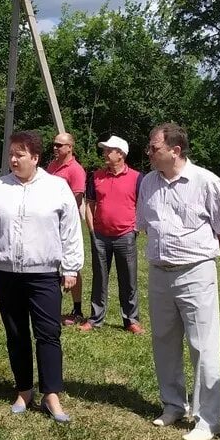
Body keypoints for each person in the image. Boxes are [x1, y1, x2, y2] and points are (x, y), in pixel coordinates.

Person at [137, 123, 220, 440]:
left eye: (154, 148)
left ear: (175, 151)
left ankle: (208, 419)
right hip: (158, 272)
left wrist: (199, 255)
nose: (149, 153)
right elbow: (145, 226)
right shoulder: (148, 183)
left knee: (203, 345)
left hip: (195, 272)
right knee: (164, 340)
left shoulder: (206, 182)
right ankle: (173, 404)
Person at [0, 131, 84, 422]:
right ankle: (23, 390)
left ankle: (51, 395)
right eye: (10, 153)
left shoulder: (57, 188)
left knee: (48, 334)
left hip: (44, 273)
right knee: (17, 333)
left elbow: (71, 230)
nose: (12, 159)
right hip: (7, 273)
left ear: (35, 158)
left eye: (19, 154)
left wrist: (71, 267)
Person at [80, 135, 144, 334]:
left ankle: (131, 320)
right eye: (105, 150)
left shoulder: (136, 177)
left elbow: (143, 205)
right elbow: (89, 204)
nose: (105, 153)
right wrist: (92, 230)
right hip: (100, 235)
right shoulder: (96, 176)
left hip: (126, 234)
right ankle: (95, 318)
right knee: (99, 278)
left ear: (121, 154)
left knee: (129, 279)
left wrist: (135, 228)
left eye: (109, 150)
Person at [47, 132, 88, 325]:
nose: (55, 148)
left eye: (59, 145)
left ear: (70, 147)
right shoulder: (52, 166)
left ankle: (77, 309)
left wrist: (63, 219)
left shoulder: (76, 170)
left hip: (65, 223)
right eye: (54, 145)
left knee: (71, 265)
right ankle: (50, 303)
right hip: (49, 223)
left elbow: (76, 199)